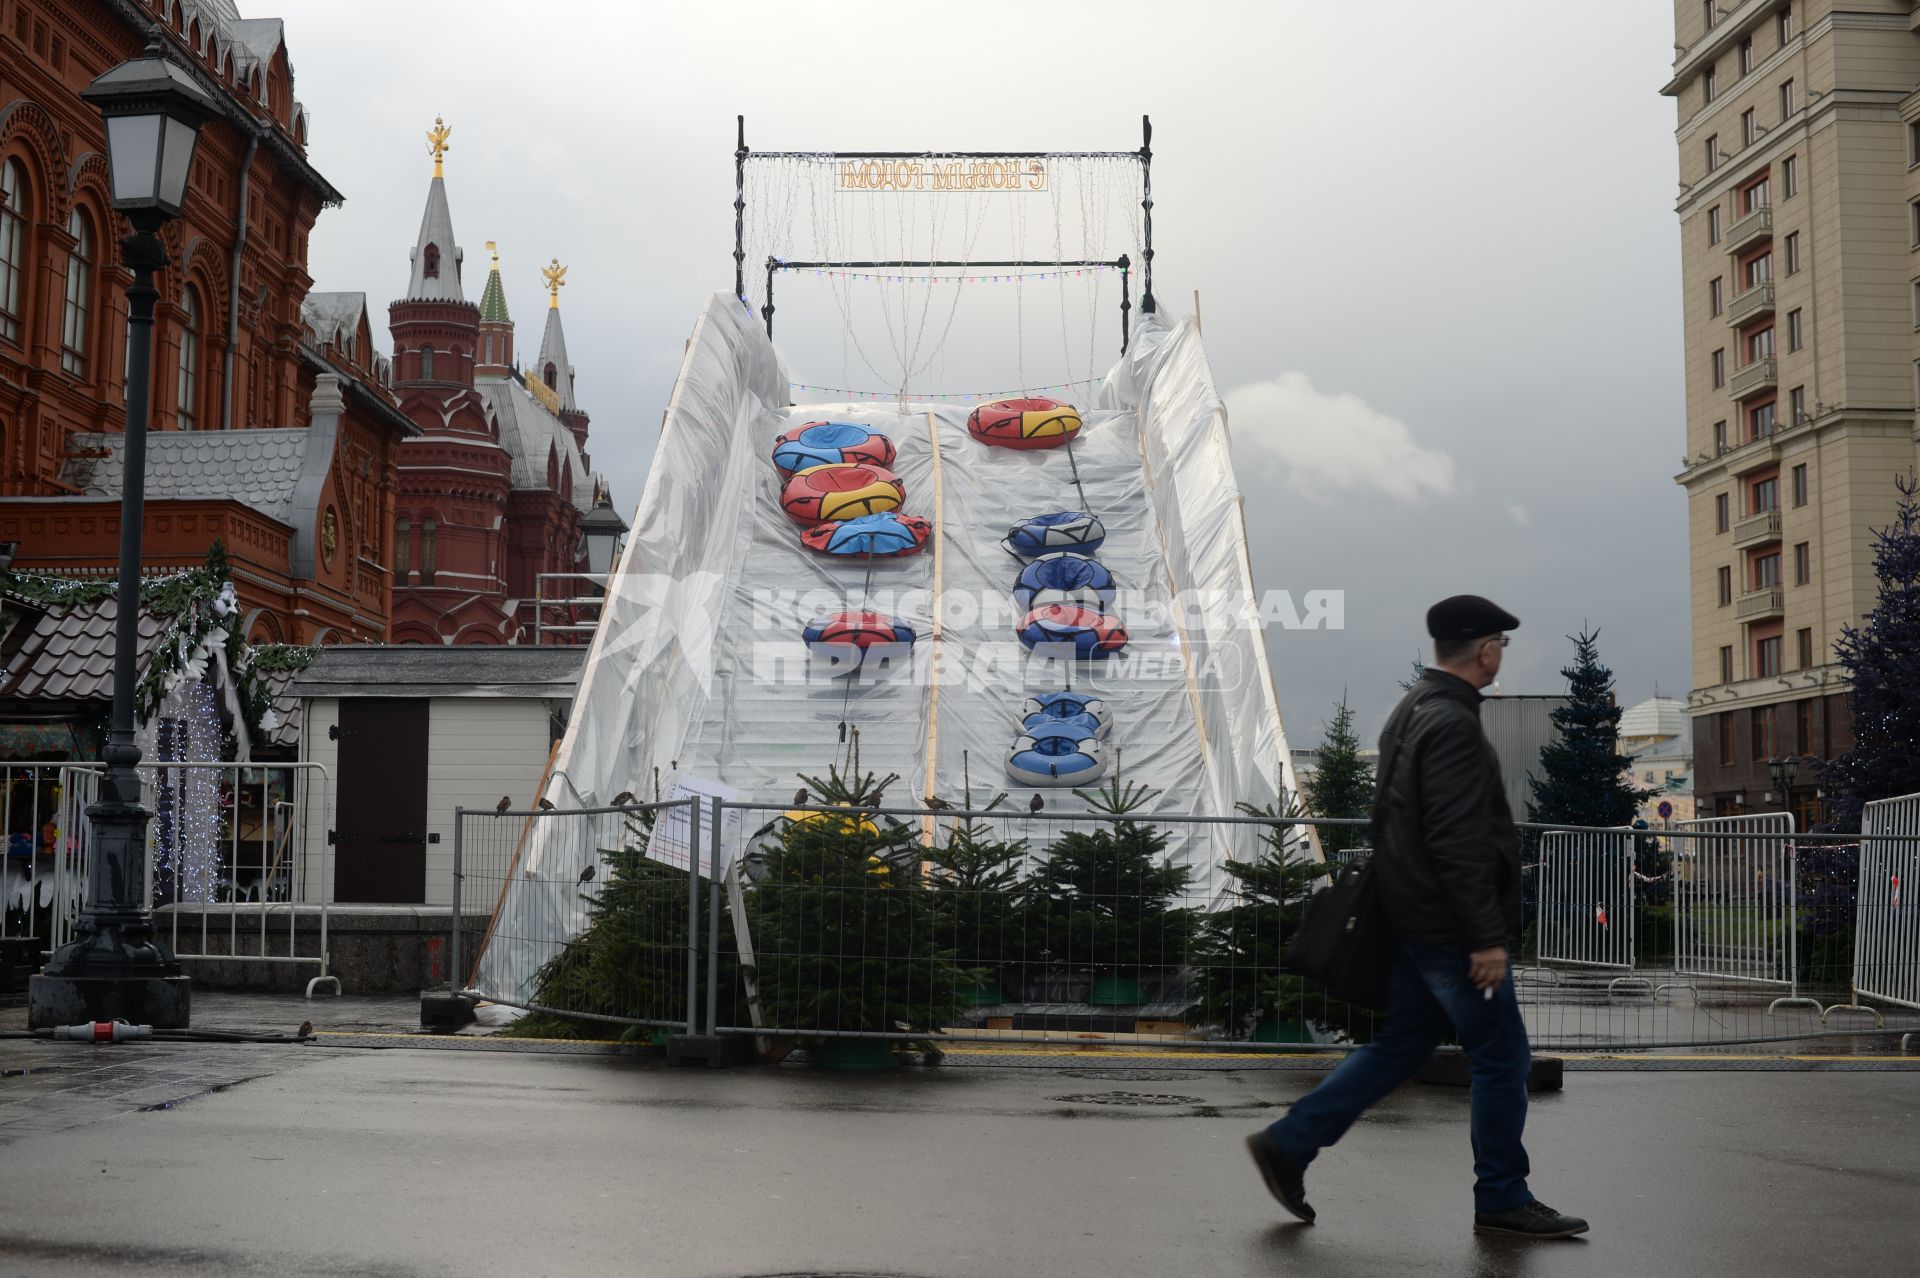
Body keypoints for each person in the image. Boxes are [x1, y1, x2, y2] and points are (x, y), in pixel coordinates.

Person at [1246, 595, 1588, 1239]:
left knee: (1403, 1046)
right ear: (1485, 649)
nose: (1500, 656)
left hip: (1410, 917)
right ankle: (1502, 1196)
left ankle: (1290, 1142)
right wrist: (1483, 936)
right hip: (1448, 930)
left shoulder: (1410, 711)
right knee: (1503, 1055)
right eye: (1500, 646)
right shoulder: (1453, 723)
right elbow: (1456, 838)